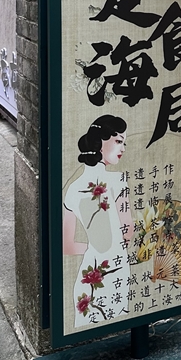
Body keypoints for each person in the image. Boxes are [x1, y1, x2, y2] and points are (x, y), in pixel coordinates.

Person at [63, 115, 133, 329]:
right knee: (117, 324)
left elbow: (67, 246)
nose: (122, 148)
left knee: (88, 324)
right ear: (100, 143)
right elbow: (128, 232)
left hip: (88, 275)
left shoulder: (72, 190)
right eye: (118, 141)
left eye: (124, 143)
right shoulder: (117, 181)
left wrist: (94, 250)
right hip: (115, 270)